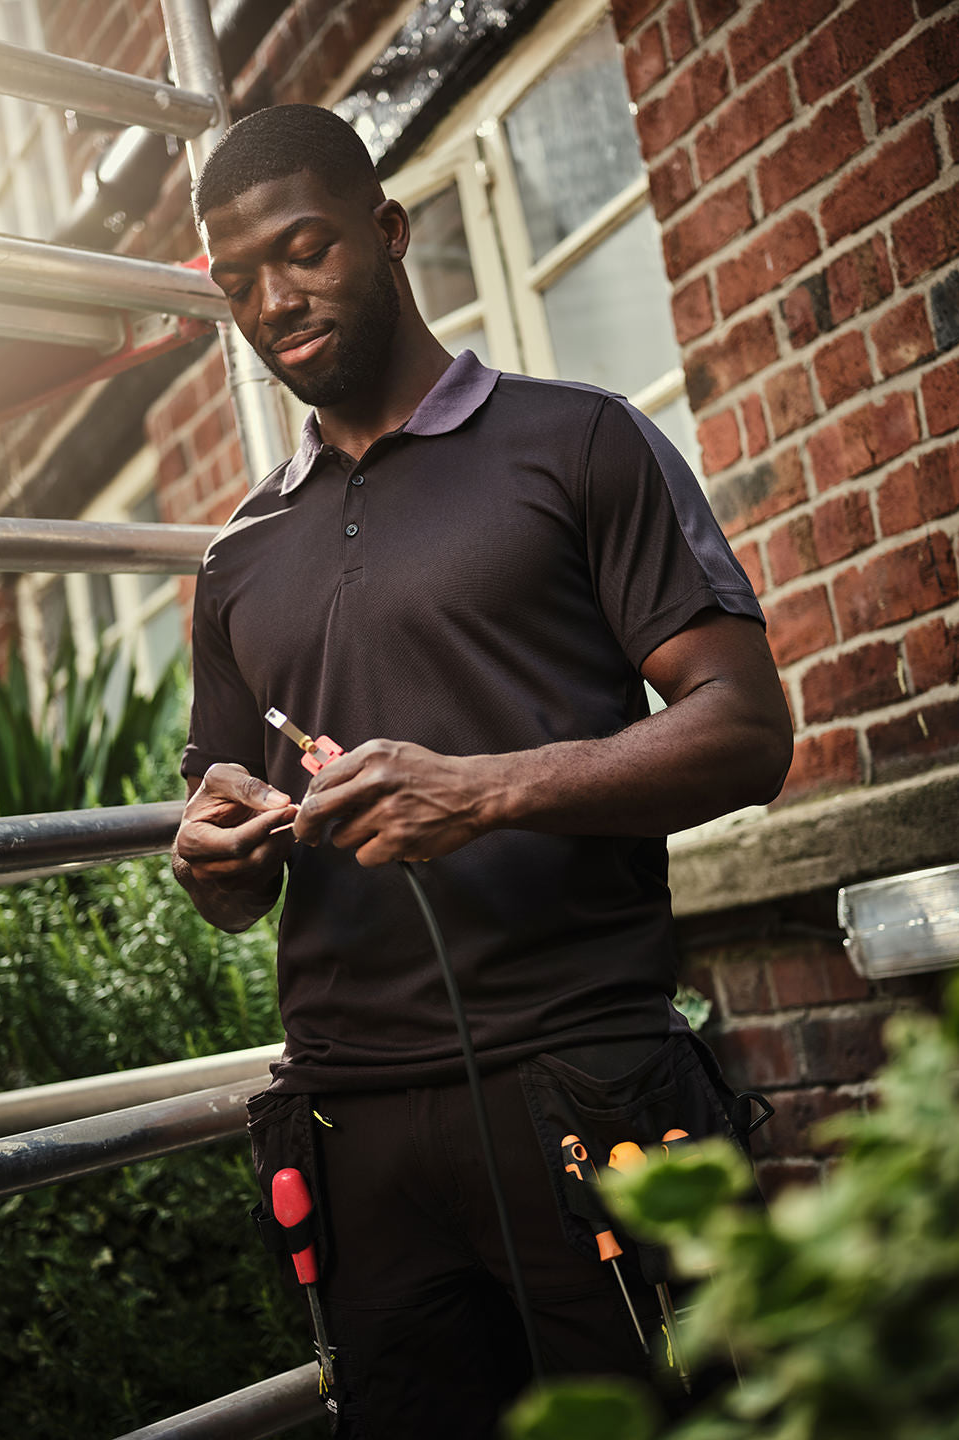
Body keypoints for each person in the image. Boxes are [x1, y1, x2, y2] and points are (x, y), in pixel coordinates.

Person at [172, 103, 793, 1438]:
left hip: (587, 1091)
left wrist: (488, 791)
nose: (275, 301)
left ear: (389, 234)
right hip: (352, 1144)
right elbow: (229, 871)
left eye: (305, 249)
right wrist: (212, 857)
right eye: (239, 281)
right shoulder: (231, 563)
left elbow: (748, 729)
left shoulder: (577, 445)